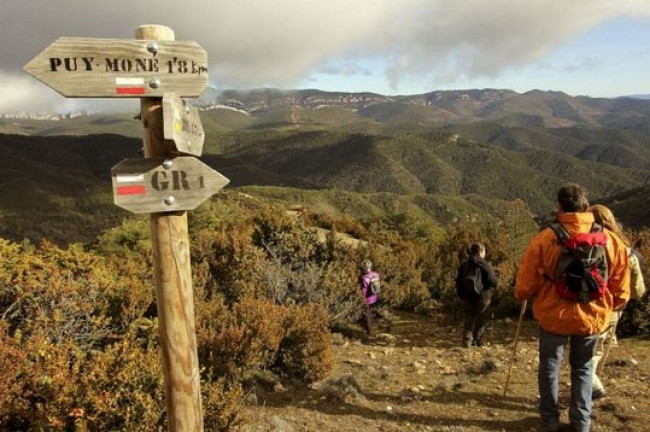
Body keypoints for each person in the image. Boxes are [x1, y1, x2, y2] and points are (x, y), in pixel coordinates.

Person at [515, 184, 630, 432]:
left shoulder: (546, 238)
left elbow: (526, 281)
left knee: (549, 367)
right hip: (592, 315)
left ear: (559, 207)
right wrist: (614, 303)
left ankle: (549, 420)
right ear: (586, 206)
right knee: (584, 368)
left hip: (554, 315)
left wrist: (523, 294)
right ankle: (581, 422)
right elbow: (621, 283)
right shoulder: (609, 240)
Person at [589, 204, 646, 399]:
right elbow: (638, 290)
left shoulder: (585, 245)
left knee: (585, 353)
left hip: (588, 307)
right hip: (614, 309)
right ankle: (590, 385)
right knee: (597, 349)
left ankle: (592, 386)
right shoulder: (626, 251)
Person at [455, 242, 498, 348]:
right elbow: (493, 282)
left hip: (467, 296)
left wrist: (461, 296)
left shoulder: (464, 265)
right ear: (481, 252)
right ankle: (478, 341)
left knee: (468, 318)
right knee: (480, 319)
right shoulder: (485, 265)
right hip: (483, 297)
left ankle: (467, 340)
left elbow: (458, 282)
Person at [358, 259, 379, 337]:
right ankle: (373, 328)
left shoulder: (364, 278)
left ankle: (369, 332)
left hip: (367, 299)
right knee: (370, 312)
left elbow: (363, 290)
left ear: (363, 267)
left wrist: (361, 299)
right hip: (374, 297)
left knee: (366, 315)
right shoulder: (376, 274)